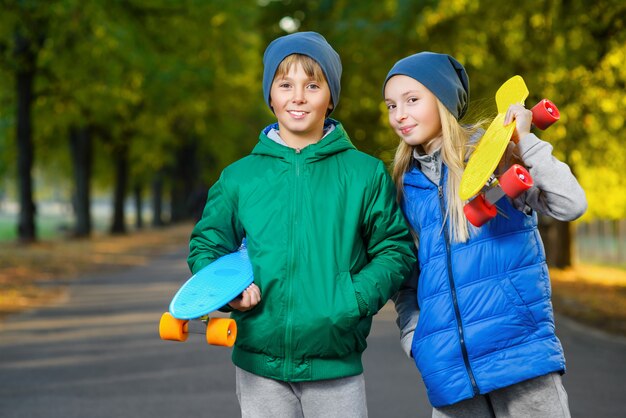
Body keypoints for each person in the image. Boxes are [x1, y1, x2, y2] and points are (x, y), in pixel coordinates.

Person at [188, 31, 416, 418]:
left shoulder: (364, 174)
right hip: (259, 362)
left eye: (312, 85)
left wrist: (353, 299)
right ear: (270, 95)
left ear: (330, 97)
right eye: (285, 84)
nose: (298, 97)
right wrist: (228, 291)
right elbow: (208, 245)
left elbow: (394, 248)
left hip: (335, 360)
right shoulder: (239, 178)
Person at [383, 52, 587, 418]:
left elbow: (569, 204)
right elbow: (407, 279)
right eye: (391, 105)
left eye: (412, 100)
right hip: (450, 374)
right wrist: (416, 338)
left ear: (443, 101)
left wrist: (526, 142)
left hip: (521, 359)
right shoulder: (403, 187)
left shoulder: (494, 156)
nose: (399, 114)